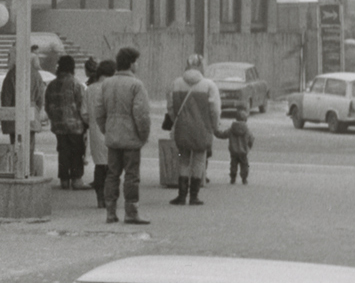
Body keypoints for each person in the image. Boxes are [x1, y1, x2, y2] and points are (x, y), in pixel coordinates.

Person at [88, 46, 153, 226]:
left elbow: (99, 111)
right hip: (131, 140)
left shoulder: (107, 83)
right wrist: (143, 135)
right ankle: (131, 212)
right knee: (131, 176)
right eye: (136, 62)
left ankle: (110, 212)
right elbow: (141, 115)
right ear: (131, 63)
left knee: (112, 174)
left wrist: (106, 130)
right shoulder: (136, 85)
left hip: (113, 138)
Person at [163, 65, 222, 206]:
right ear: (201, 69)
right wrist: (214, 125)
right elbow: (215, 110)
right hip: (203, 128)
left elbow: (170, 107)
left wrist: (177, 119)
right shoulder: (209, 85)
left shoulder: (175, 83)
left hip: (182, 128)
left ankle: (181, 196)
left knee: (183, 159)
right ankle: (194, 196)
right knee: (199, 160)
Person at [45, 55, 87, 190]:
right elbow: (82, 105)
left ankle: (64, 180)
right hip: (75, 126)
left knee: (63, 151)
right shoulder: (76, 84)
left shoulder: (51, 85)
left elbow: (48, 106)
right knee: (76, 151)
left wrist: (55, 118)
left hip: (58, 126)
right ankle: (76, 179)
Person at [84, 58, 111, 204]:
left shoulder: (90, 90)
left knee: (100, 165)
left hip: (95, 133)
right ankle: (109, 197)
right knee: (112, 167)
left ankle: (100, 196)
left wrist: (92, 123)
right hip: (113, 132)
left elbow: (84, 114)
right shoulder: (113, 88)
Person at [225, 104, 253, 184]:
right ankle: (244, 178)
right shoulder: (246, 130)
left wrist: (215, 131)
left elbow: (223, 134)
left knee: (233, 165)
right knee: (244, 165)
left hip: (233, 151)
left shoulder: (232, 129)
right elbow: (251, 139)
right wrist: (248, 147)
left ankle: (233, 178)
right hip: (243, 151)